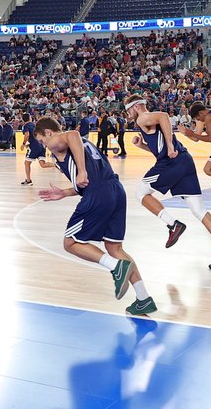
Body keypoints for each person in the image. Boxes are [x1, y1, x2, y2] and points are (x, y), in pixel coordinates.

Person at [34, 117, 156, 316]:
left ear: (49, 133)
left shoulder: (61, 139)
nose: (44, 145)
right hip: (115, 189)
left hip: (98, 193)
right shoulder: (86, 144)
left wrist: (81, 170)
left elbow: (72, 135)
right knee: (114, 247)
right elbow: (87, 180)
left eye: (42, 140)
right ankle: (143, 298)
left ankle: (116, 267)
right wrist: (65, 192)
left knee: (70, 243)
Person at [125, 97, 211, 270]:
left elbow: (163, 116)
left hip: (171, 164)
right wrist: (144, 147)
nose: (128, 114)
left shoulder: (142, 117)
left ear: (137, 106)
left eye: (129, 110)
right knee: (199, 210)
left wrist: (170, 145)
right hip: (184, 161)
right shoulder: (147, 121)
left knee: (140, 193)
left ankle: (172, 224)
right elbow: (160, 146)